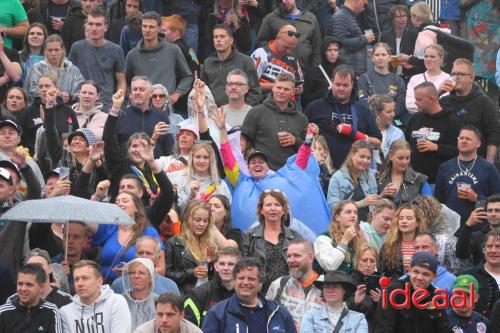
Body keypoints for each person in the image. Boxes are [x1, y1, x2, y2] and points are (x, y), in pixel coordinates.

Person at [102, 90, 174, 204]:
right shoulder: (120, 165)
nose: (139, 150)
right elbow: (108, 139)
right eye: (134, 146)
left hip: (147, 217)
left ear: (150, 149)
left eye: (144, 146)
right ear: (128, 149)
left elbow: (168, 194)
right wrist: (115, 107)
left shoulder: (154, 169)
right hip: (121, 215)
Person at [305, 65, 382, 169]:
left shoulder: (363, 109)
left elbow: (378, 143)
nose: (341, 89)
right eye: (337, 84)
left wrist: (357, 134)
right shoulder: (315, 107)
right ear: (332, 82)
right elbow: (302, 138)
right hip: (321, 169)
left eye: (345, 85)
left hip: (354, 172)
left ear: (352, 84)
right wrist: (311, 133)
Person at [202, 257, 296, 332]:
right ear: (234, 280)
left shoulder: (279, 313)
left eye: (251, 279)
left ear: (260, 283)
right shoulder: (217, 314)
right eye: (241, 278)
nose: (246, 282)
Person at [126, 11, 193, 111]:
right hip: (141, 111)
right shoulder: (132, 55)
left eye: (151, 27)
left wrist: (178, 93)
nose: (147, 30)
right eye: (145, 26)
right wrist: (130, 95)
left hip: (167, 111)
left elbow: (187, 76)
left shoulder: (173, 50)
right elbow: (126, 82)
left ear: (159, 29)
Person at [435, 125, 500, 226]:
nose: (463, 141)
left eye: (468, 139)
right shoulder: (445, 167)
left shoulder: (488, 168)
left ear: (478, 143)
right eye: (461, 138)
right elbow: (438, 201)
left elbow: (497, 201)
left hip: (478, 229)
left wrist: (476, 198)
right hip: (451, 229)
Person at [242, 72, 308, 170]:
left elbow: (307, 150)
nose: (281, 91)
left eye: (286, 89)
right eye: (278, 87)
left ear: (293, 92)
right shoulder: (256, 112)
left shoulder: (301, 118)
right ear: (273, 88)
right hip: (263, 175)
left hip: (291, 175)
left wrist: (295, 141)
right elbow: (244, 144)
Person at [439, 58, 500, 163]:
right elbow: (425, 120)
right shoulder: (444, 101)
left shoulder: (484, 102)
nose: (456, 77)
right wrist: (437, 93)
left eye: (460, 74)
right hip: (447, 161)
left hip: (476, 161)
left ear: (471, 78)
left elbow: (494, 135)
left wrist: (489, 165)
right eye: (453, 74)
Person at [372, 252, 451, 333]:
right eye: (416, 272)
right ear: (409, 271)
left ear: (434, 277)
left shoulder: (436, 297)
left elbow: (444, 329)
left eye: (425, 274)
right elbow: (382, 328)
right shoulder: (393, 292)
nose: (419, 277)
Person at [241, 190, 303, 292]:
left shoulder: (295, 236)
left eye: (277, 205)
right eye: (268, 205)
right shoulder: (249, 236)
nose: (273, 209)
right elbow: (243, 267)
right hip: (259, 293)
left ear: (283, 210)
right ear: (261, 210)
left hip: (290, 293)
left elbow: (302, 267)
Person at [68, 7, 126, 111]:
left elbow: (121, 81)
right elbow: (70, 77)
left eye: (98, 24)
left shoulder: (116, 50)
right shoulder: (76, 48)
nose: (94, 28)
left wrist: (116, 105)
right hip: (81, 106)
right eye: (90, 24)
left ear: (106, 27)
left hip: (106, 107)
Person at [405, 81, 462, 184]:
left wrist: (436, 147)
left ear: (431, 99)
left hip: (438, 182)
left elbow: (460, 150)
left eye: (419, 99)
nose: (415, 102)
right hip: (413, 180)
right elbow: (406, 144)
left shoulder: (452, 121)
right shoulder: (415, 118)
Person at [266, 240, 324, 330]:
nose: (291, 260)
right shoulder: (279, 285)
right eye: (289, 256)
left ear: (311, 257)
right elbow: (266, 319)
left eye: (297, 256)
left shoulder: (327, 287)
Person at [112, 76, 175, 158]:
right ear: (131, 93)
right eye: (135, 89)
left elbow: (169, 148)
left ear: (150, 94)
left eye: (141, 89)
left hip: (155, 166)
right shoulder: (120, 115)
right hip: (126, 168)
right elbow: (112, 148)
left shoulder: (162, 116)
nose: (137, 92)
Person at [60, 260, 132, 332]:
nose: (80, 283)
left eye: (85, 278)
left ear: (99, 281)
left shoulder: (116, 302)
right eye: (76, 279)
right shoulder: (65, 312)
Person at [20, 74, 79, 158]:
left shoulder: (68, 111)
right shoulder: (29, 111)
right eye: (41, 87)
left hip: (62, 160)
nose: (44, 89)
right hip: (35, 160)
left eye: (47, 86)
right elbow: (20, 139)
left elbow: (76, 136)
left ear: (57, 88)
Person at [201, 25, 261, 107]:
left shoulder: (246, 61)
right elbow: (203, 90)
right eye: (215, 37)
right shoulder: (207, 63)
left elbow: (255, 91)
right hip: (213, 113)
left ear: (231, 40)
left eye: (222, 36)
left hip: (239, 112)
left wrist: (241, 109)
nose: (218, 40)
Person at [165, 201, 218, 293]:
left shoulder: (212, 244)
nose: (202, 224)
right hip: (183, 294)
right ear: (188, 219)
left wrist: (211, 265)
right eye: (197, 220)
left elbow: (218, 278)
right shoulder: (174, 243)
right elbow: (166, 274)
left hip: (207, 295)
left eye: (205, 221)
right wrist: (191, 273)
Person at [256, 0, 321, 72]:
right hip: (278, 70)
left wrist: (315, 69)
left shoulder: (311, 19)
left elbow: (317, 47)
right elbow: (261, 43)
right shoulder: (271, 19)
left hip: (305, 70)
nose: (284, 1)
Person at [184, 247, 240, 327]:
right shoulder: (197, 295)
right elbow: (189, 328)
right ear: (216, 266)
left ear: (239, 268)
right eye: (222, 264)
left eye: (230, 264)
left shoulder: (246, 295)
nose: (225, 268)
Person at [300, 270, 368, 333]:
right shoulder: (310, 316)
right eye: (326, 287)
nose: (329, 290)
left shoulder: (358, 319)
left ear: (344, 290)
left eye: (335, 286)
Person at [0, 264, 62, 332]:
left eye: (29, 285)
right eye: (20, 284)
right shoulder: (3, 312)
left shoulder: (51, 311)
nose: (23, 289)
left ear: (41, 287)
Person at [24, 34, 84, 103]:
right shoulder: (37, 68)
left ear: (62, 50)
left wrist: (69, 96)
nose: (53, 53)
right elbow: (32, 91)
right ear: (45, 52)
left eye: (56, 50)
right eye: (50, 50)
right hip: (41, 106)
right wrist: (56, 95)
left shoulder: (73, 70)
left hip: (67, 108)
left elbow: (80, 91)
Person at [327, 141, 378, 221]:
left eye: (368, 158)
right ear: (352, 155)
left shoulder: (371, 178)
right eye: (362, 156)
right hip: (344, 228)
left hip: (367, 228)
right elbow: (333, 207)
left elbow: (374, 205)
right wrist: (361, 203)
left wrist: (383, 194)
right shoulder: (337, 177)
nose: (365, 161)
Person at [112, 236, 179, 295]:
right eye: (140, 253)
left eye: (148, 253)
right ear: (135, 255)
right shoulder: (119, 284)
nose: (144, 256)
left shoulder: (170, 286)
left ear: (158, 258)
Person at [358, 43, 407, 123]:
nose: (380, 58)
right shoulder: (364, 78)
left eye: (383, 55)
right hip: (370, 122)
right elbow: (363, 102)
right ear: (372, 58)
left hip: (392, 122)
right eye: (377, 55)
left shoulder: (397, 80)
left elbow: (400, 105)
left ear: (390, 58)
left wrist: (386, 115)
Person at [175, 142, 232, 211]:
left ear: (211, 160)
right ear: (192, 159)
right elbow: (181, 210)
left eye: (206, 157)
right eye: (198, 157)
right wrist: (191, 195)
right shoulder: (182, 180)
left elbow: (227, 211)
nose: (202, 161)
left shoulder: (220, 184)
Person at [252, 24, 303, 96]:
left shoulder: (293, 59)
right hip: (264, 100)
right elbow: (250, 84)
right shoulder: (261, 53)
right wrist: (276, 87)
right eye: (286, 47)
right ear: (277, 38)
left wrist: (299, 89)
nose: (288, 51)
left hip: (288, 103)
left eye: (292, 48)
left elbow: (300, 86)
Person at [326, 0, 375, 75]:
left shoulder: (347, 16)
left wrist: (365, 50)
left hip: (351, 71)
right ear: (357, 1)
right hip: (347, 72)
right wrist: (364, 39)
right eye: (363, 4)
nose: (363, 8)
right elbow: (339, 43)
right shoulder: (341, 17)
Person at [315, 200, 365, 274]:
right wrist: (344, 241)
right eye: (348, 212)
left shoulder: (360, 240)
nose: (353, 215)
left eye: (355, 213)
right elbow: (330, 266)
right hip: (331, 284)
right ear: (337, 217)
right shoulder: (323, 238)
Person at [377, 140, 431, 207]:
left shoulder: (420, 179)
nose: (404, 162)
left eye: (407, 158)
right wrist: (382, 195)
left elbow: (430, 208)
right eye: (400, 158)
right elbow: (369, 207)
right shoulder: (378, 178)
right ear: (391, 156)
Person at [378, 203, 426, 278]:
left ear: (417, 223)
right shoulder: (388, 247)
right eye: (401, 218)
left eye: (409, 218)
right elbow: (381, 273)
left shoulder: (424, 246)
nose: (404, 221)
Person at [462, 230, 500, 318]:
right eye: (489, 246)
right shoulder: (468, 275)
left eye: (498, 246)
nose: (493, 250)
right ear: (484, 250)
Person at [406, 44, 450, 114]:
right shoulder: (415, 79)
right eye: (426, 56)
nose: (428, 59)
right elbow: (410, 105)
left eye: (432, 57)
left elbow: (449, 104)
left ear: (441, 59)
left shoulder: (448, 79)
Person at [456, 194, 500, 265]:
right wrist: (467, 226)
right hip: (482, 275)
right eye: (490, 210)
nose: (493, 214)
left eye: (497, 210)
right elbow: (461, 254)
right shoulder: (477, 236)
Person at [379, 5, 418, 83]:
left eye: (404, 16)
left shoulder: (414, 34)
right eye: (399, 17)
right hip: (389, 74)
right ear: (392, 19)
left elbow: (417, 57)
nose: (403, 19)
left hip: (409, 74)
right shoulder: (385, 35)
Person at [348, 243, 381, 329]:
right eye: (364, 260)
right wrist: (355, 302)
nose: (368, 264)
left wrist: (380, 303)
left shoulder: (381, 284)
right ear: (356, 261)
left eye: (372, 261)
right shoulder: (348, 282)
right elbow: (339, 313)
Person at [302, 38, 344, 106]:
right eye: (329, 50)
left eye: (335, 50)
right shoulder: (313, 72)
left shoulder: (345, 71)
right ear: (323, 52)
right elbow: (305, 100)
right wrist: (325, 91)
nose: (332, 53)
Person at [134, 292, 202, 333]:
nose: (164, 320)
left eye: (170, 315)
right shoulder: (143, 331)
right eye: (160, 314)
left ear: (181, 315)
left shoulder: (194, 331)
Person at [369, 96, 405, 171]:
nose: (393, 114)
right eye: (389, 112)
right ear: (377, 113)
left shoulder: (398, 133)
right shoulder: (366, 132)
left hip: (390, 175)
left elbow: (402, 157)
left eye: (393, 111)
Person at [121, 258, 158, 330]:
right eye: (132, 273)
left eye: (141, 273)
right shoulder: (120, 301)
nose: (136, 276)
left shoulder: (158, 301)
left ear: (150, 277)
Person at [0, 33, 22, 104]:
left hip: (6, 104)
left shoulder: (12, 53)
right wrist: (5, 79)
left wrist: (1, 53)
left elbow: (16, 76)